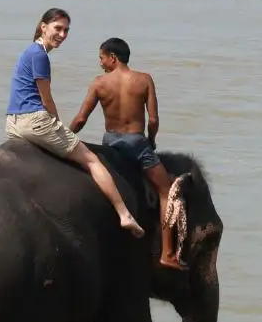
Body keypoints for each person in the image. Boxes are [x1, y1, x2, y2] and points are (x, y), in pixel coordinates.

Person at [5, 8, 145, 238]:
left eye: (66, 30)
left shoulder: (28, 52)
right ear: (43, 27)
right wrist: (56, 123)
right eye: (57, 28)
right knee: (91, 160)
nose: (62, 34)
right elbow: (46, 97)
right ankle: (124, 214)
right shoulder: (40, 55)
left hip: (13, 122)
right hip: (34, 121)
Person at [70, 36, 183, 269]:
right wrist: (151, 141)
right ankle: (168, 253)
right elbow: (153, 120)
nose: (100, 63)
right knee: (166, 190)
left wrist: (65, 137)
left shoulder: (99, 83)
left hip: (111, 142)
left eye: (101, 58)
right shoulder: (144, 80)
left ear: (113, 57)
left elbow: (81, 119)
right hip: (136, 142)